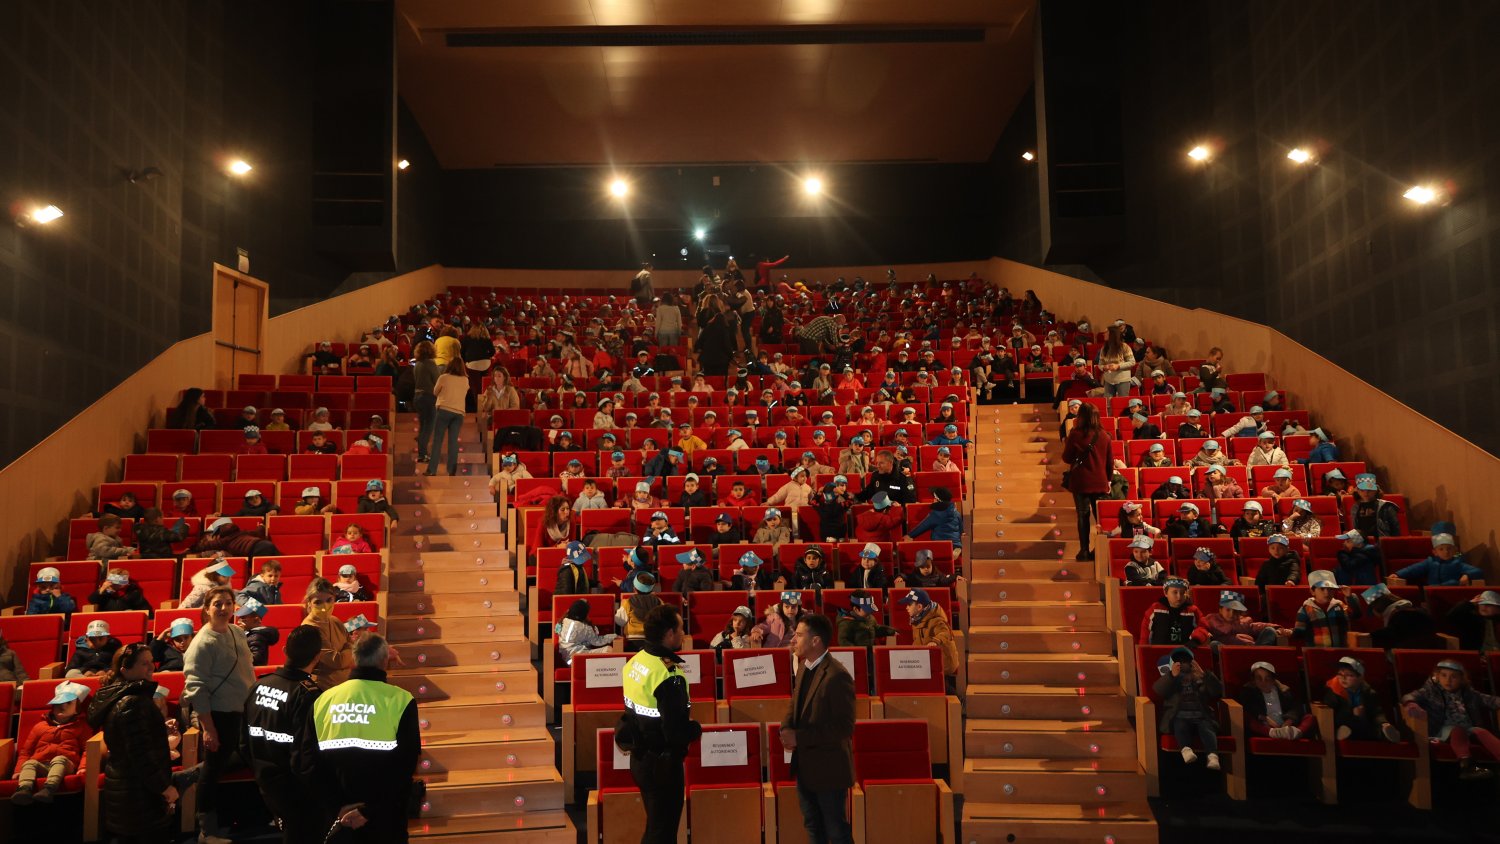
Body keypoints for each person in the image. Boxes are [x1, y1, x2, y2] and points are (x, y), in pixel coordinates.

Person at [313, 633, 421, 841]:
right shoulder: (400, 699)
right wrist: (369, 810)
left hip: (339, 815)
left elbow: (308, 760)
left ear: (354, 660)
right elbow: (405, 765)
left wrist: (338, 807)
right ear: (384, 660)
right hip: (385, 816)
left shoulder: (324, 699)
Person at [620, 605, 703, 844]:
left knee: (656, 828)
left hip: (640, 758)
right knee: (662, 834)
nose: (684, 633)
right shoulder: (669, 675)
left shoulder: (636, 661)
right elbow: (675, 731)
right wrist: (695, 728)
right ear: (669, 634)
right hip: (662, 766)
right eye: (680, 629)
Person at [183, 585, 256, 842]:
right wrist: (208, 727)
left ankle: (188, 775)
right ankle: (207, 831)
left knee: (244, 756)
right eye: (217, 604)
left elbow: (247, 669)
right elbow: (196, 689)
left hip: (243, 710)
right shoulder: (202, 643)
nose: (223, 608)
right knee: (212, 771)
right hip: (219, 713)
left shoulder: (237, 631)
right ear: (206, 609)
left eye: (227, 603)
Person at [243, 625, 327, 844]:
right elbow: (305, 753)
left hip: (264, 780)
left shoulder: (259, 685)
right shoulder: (307, 695)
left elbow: (243, 741)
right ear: (317, 657)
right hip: (294, 788)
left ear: (284, 651)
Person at [88, 642, 180, 842]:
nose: (151, 667)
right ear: (125, 669)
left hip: (129, 787)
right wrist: (164, 787)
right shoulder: (132, 702)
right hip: (137, 793)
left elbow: (133, 739)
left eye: (151, 662)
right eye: (144, 663)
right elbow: (141, 755)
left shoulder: (124, 697)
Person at [782, 613, 856, 844]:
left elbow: (844, 728)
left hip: (829, 770)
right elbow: (795, 703)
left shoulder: (837, 676)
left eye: (799, 634)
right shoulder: (804, 666)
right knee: (813, 827)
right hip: (805, 767)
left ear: (816, 641)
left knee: (836, 831)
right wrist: (785, 727)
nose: (793, 639)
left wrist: (799, 738)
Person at [1402, 659, 1500, 781]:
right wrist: (1411, 704)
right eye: (1444, 675)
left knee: (1481, 732)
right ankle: (1466, 766)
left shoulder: (1468, 693)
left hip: (1468, 728)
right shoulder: (1430, 691)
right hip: (1442, 730)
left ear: (1461, 679)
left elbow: (1490, 700)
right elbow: (1409, 696)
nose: (1448, 680)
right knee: (1457, 730)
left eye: (1453, 677)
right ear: (1437, 676)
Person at [9, 679, 92, 805]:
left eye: (68, 703)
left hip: (66, 764)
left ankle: (48, 789)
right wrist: (18, 770)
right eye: (58, 703)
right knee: (30, 763)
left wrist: (83, 767)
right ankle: (24, 789)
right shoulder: (40, 726)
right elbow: (26, 751)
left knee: (59, 759)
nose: (62, 706)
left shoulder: (81, 727)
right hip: (42, 764)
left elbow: (87, 749)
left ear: (77, 709)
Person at [1154, 647, 1222, 771]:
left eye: (1187, 661)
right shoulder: (1172, 680)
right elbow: (1159, 690)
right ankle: (1186, 750)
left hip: (1201, 715)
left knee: (1207, 729)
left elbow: (1217, 692)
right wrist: (1171, 676)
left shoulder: (1199, 679)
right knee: (1180, 726)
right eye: (1179, 662)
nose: (1184, 665)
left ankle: (1212, 755)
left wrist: (1204, 675)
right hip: (1179, 716)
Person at [1062, 403, 1112, 562]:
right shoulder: (1105, 435)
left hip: (1081, 481)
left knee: (1082, 516)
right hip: (1100, 481)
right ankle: (1103, 551)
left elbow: (1067, 458)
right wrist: (1108, 479)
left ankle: (1084, 551)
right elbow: (1109, 462)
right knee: (1101, 518)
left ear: (1081, 416)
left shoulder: (1076, 434)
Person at [1322, 655, 1403, 744]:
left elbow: (1377, 712)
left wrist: (1383, 723)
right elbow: (1330, 713)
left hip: (1365, 724)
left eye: (1350, 675)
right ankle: (1342, 732)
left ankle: (1385, 732)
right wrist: (1354, 715)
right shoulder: (1334, 691)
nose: (1343, 678)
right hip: (1344, 723)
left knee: (1371, 728)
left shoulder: (1369, 693)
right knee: (1349, 728)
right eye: (1340, 674)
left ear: (1360, 678)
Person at [898, 588, 960, 690]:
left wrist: (934, 641)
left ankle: (956, 699)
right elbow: (918, 640)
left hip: (943, 660)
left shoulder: (936, 620)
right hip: (927, 658)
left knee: (939, 685)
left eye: (909, 605)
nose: (906, 608)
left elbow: (945, 633)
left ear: (919, 606)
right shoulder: (917, 619)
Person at [1240, 661, 1315, 740]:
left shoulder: (1284, 691)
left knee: (1310, 718)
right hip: (1265, 726)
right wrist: (1267, 720)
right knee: (1247, 718)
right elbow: (1250, 708)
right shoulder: (1248, 692)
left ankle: (1295, 733)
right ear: (1254, 680)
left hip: (1286, 726)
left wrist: (1288, 721)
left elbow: (1295, 707)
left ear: (1273, 680)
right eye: (1259, 678)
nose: (1263, 682)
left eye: (1267, 678)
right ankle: (1274, 733)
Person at [303, 578, 356, 690]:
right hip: (322, 689)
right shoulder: (309, 628)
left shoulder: (335, 620)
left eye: (329, 600)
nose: (325, 606)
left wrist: (349, 648)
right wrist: (349, 647)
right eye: (318, 602)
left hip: (344, 686)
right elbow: (337, 661)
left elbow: (353, 649)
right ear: (309, 603)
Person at [427, 356, 470, 477]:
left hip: (444, 410)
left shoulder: (444, 377)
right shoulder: (465, 380)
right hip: (459, 412)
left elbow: (435, 391)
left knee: (438, 441)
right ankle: (451, 470)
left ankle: (432, 470)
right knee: (453, 442)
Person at [1198, 591, 1284, 648]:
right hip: (1229, 653)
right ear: (1220, 610)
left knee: (1269, 631)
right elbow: (1202, 630)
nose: (1231, 614)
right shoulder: (1212, 621)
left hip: (1250, 649)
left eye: (1235, 611)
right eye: (1228, 609)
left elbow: (1258, 626)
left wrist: (1278, 627)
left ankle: (1258, 656)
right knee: (1214, 645)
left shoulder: (1244, 621)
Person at [1389, 532, 1480, 586]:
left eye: (1449, 548)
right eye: (1441, 549)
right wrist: (1398, 574)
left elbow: (1477, 571)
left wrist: (1467, 575)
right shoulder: (1430, 562)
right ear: (1435, 552)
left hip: (1452, 591)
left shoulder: (1457, 563)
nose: (1446, 552)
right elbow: (1413, 569)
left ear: (1455, 550)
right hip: (1432, 592)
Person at [1293, 570, 1354, 647]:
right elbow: (1299, 632)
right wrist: (1290, 632)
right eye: (1322, 589)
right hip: (1317, 652)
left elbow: (1355, 614)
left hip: (1340, 650)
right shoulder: (1306, 609)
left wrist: (1349, 597)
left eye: (1330, 589)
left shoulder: (1339, 605)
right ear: (1312, 591)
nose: (1327, 593)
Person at [1140, 578, 1205, 646]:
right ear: (1165, 593)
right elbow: (1145, 635)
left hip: (1185, 652)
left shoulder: (1193, 610)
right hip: (1159, 652)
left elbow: (1203, 627)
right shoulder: (1155, 609)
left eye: (1182, 593)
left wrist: (1196, 640)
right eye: (1175, 592)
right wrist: (1144, 650)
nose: (1179, 597)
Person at [411, 340, 441, 463]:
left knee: (423, 426)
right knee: (428, 427)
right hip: (429, 397)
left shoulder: (417, 364)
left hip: (417, 397)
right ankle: (422, 455)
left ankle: (422, 453)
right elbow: (438, 380)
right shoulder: (430, 363)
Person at [236, 596, 280, 665]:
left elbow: (256, 660)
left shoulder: (256, 637)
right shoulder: (251, 634)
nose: (239, 622)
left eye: (243, 618)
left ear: (256, 619)